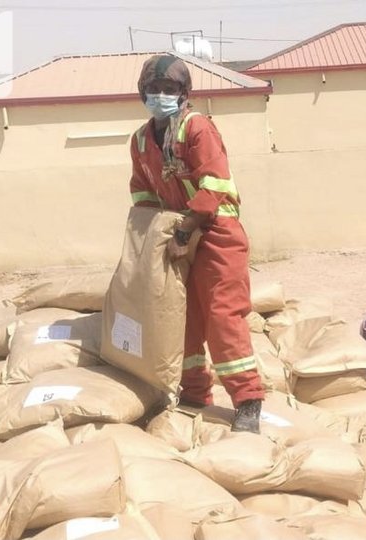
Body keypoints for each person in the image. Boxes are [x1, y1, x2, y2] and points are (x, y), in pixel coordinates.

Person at [129, 54, 264, 433]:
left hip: (216, 234)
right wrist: (151, 238)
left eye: (168, 90)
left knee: (223, 317)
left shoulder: (196, 128)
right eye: (153, 89)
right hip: (175, 236)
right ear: (142, 93)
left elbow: (215, 184)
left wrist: (187, 231)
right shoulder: (140, 141)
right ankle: (194, 394)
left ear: (184, 93)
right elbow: (142, 194)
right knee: (181, 319)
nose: (160, 96)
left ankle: (248, 400)